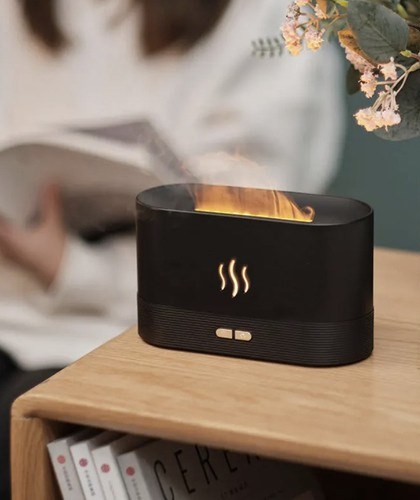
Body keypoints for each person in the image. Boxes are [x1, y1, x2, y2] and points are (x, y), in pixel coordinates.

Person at [0, 0, 345, 495]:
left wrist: (70, 268)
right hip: (12, 312)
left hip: (134, 336)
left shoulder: (268, 21)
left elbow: (249, 255)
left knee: (24, 430)